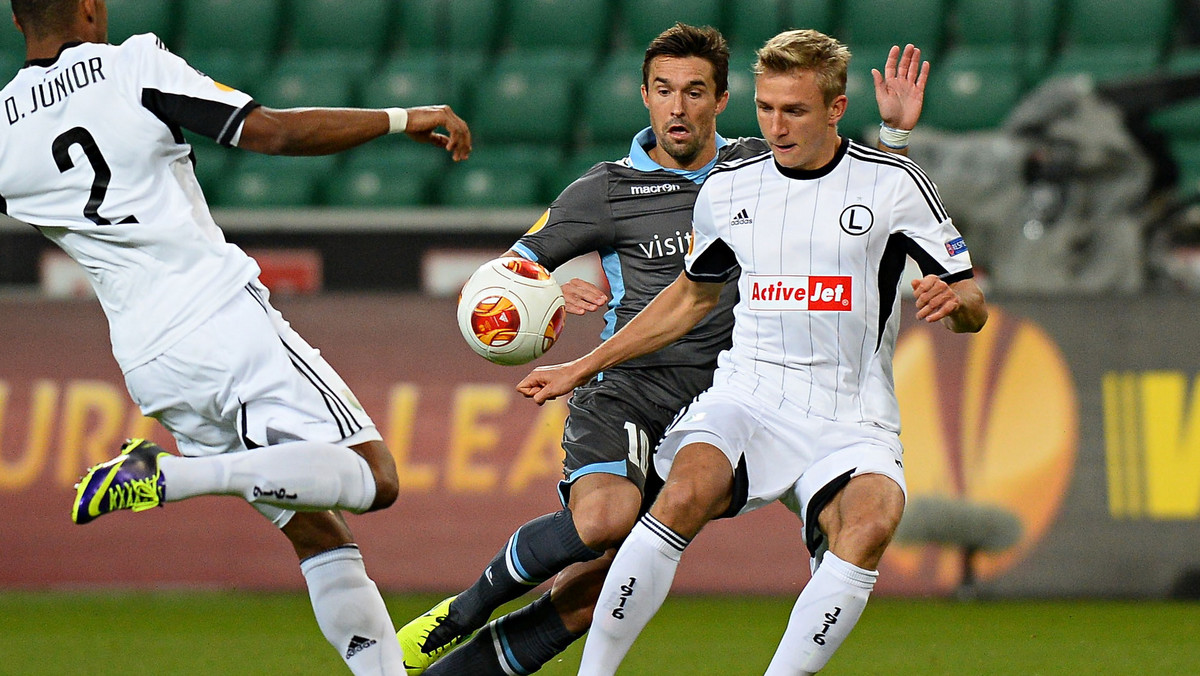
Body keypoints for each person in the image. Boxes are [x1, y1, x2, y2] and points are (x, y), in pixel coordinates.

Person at [398, 23, 929, 676]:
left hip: (728, 405)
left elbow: (860, 205)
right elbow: (507, 273)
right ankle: (458, 614)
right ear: (644, 96)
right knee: (602, 521)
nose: (678, 108)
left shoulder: (758, 171)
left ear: (723, 99)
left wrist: (895, 139)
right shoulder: (604, 190)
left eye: (695, 92)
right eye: (663, 90)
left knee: (592, 597)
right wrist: (555, 284)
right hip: (630, 388)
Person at [0, 1, 470, 674]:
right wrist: (402, 117)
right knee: (374, 476)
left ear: (19, 23)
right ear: (89, 7)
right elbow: (271, 133)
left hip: (148, 361)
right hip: (221, 321)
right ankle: (173, 477)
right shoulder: (134, 65)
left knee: (316, 529)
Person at [517, 28, 987, 676]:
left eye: (793, 109)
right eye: (765, 108)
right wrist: (581, 365)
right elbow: (688, 299)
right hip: (750, 395)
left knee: (872, 521)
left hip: (852, 409)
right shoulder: (730, 188)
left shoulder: (897, 182)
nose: (776, 125)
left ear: (835, 107)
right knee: (682, 493)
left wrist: (955, 303)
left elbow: (972, 304)